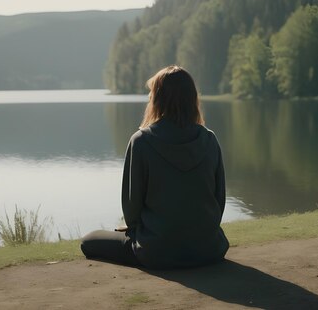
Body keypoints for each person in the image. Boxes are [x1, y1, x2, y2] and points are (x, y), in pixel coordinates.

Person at [80, 65, 229, 269]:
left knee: (89, 240)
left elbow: (131, 209)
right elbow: (219, 199)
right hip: (209, 249)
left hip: (156, 252)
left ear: (157, 99)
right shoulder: (209, 139)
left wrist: (138, 230)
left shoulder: (141, 141)